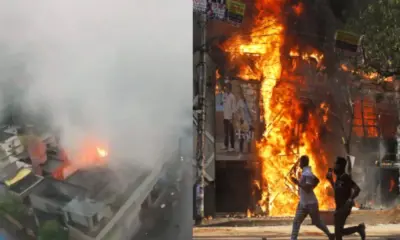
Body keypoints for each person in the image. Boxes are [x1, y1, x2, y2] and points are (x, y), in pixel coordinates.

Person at [290, 155, 334, 240]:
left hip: (310, 204)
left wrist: (297, 183)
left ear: (303, 163)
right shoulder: (306, 172)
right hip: (303, 203)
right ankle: (293, 238)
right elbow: (317, 180)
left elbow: (307, 188)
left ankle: (330, 235)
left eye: (300, 162)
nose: (299, 164)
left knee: (317, 222)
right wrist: (310, 186)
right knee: (297, 222)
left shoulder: (307, 174)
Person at [326, 156, 366, 240]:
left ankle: (359, 229)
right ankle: (359, 229)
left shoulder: (345, 177)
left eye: (336, 164)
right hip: (339, 206)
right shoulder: (338, 177)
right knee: (339, 232)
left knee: (338, 232)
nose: (334, 166)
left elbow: (357, 189)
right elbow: (337, 190)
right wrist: (330, 181)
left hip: (344, 207)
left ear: (340, 166)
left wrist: (350, 199)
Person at [222, 82, 236, 152]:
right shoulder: (224, 95)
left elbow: (233, 109)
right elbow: (223, 103)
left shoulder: (232, 97)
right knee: (225, 133)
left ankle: (232, 147)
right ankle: (226, 145)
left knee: (231, 132)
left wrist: (232, 118)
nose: (225, 88)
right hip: (225, 117)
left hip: (230, 118)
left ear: (229, 88)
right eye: (225, 87)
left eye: (226, 87)